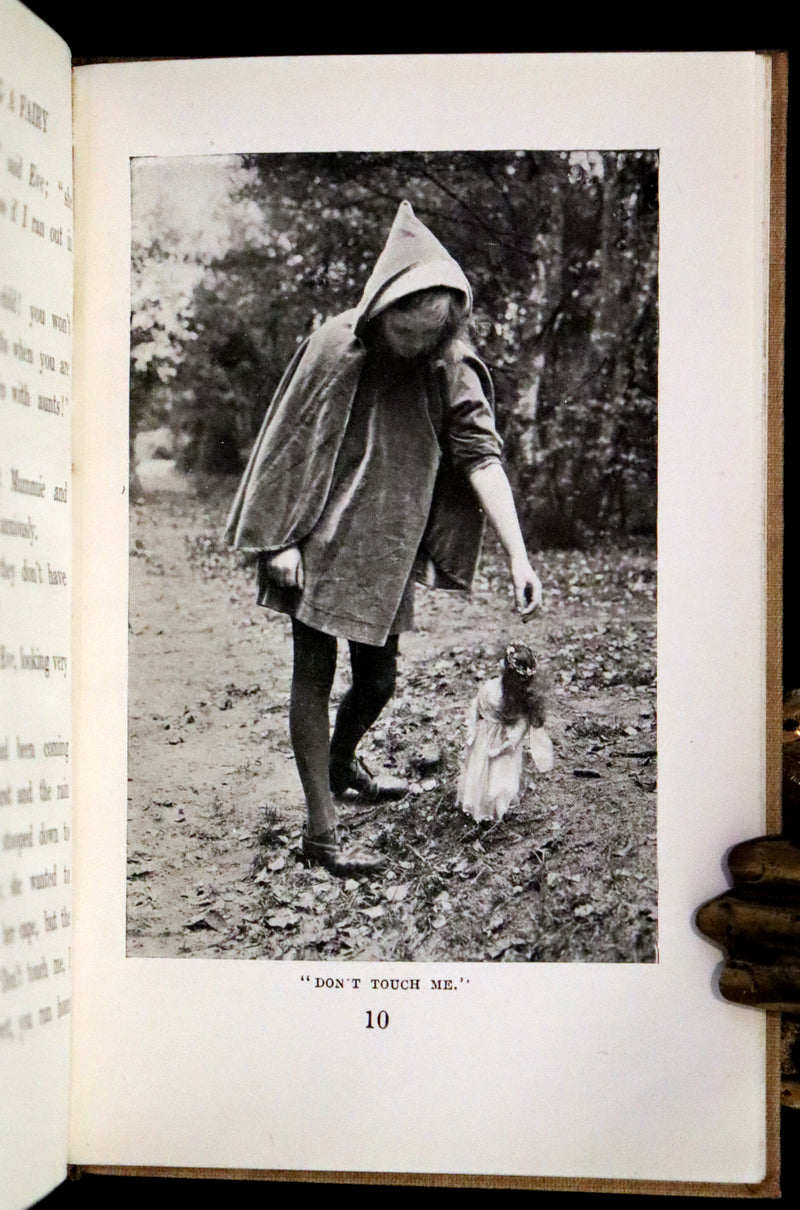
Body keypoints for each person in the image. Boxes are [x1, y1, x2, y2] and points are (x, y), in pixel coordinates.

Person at [225, 200, 542, 875]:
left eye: (427, 337)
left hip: (386, 549)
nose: (413, 348)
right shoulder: (335, 344)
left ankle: (342, 765)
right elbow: (286, 443)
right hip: (310, 540)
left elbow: (481, 457)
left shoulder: (449, 365)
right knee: (312, 673)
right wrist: (275, 540)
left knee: (379, 679)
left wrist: (518, 554)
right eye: (403, 334)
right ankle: (322, 833)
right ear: (382, 313)